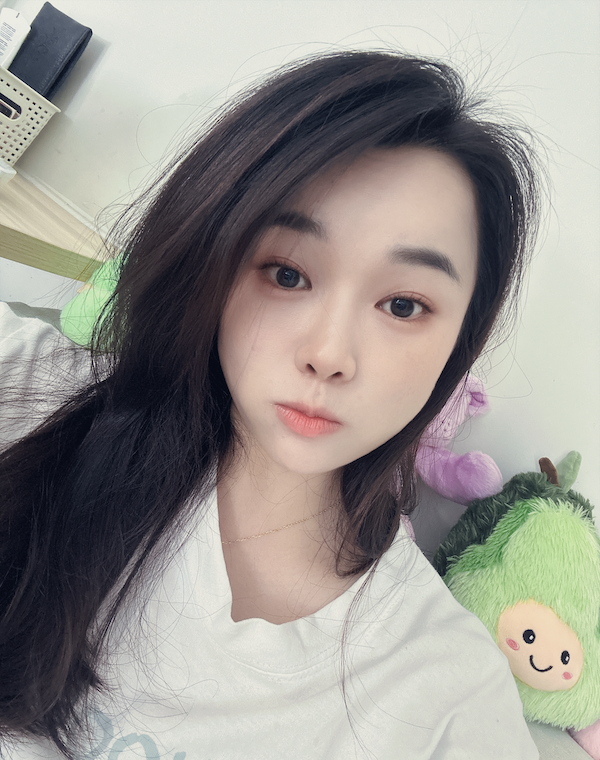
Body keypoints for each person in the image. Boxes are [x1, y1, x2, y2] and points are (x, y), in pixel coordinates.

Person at [0, 51, 541, 759]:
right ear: (213, 258)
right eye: (287, 274)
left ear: (459, 340)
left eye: (404, 305)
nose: (330, 353)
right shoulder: (34, 396)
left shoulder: (446, 699)